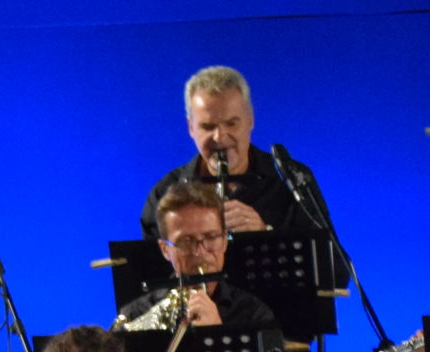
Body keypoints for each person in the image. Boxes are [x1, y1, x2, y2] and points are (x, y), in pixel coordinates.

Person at [137, 65, 327, 240]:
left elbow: (331, 262)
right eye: (208, 126)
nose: (219, 137)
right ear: (191, 128)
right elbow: (150, 266)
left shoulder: (293, 180)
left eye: (231, 123)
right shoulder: (164, 194)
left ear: (250, 120)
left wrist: (265, 233)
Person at [117, 181, 280, 335]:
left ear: (224, 241)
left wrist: (216, 333)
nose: (199, 252)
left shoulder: (254, 315)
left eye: (210, 237)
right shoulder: (135, 314)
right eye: (186, 241)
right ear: (165, 249)